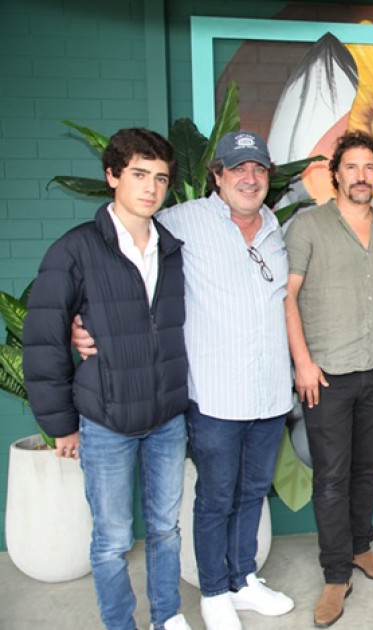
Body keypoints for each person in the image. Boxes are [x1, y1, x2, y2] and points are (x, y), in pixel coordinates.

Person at [73, 130, 296, 630]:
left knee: (253, 491)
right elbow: (119, 253)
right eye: (237, 168)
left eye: (258, 169)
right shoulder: (181, 222)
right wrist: (80, 319)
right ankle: (214, 592)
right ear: (217, 176)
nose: (249, 178)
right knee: (216, 497)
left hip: (269, 395)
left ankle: (241, 581)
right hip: (216, 395)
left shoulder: (275, 227)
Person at [23, 128, 191, 630]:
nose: (151, 187)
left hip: (165, 418)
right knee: (113, 539)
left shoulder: (175, 249)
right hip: (106, 421)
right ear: (112, 176)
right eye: (139, 174)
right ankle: (120, 624)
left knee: (165, 529)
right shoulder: (75, 250)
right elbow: (44, 338)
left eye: (160, 178)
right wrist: (62, 424)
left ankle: (168, 617)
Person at [283, 130, 373, 628]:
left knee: (367, 470)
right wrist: (302, 363)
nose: (361, 176)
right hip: (327, 375)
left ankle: (361, 547)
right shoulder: (308, 226)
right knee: (332, 478)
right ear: (335, 173)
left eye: (369, 168)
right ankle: (336, 573)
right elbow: (287, 297)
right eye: (351, 167)